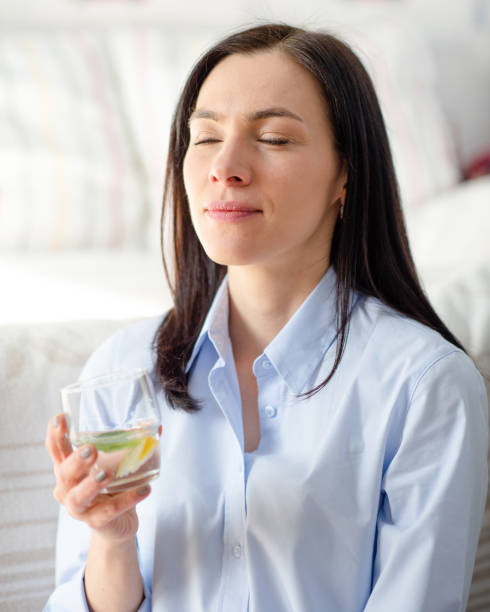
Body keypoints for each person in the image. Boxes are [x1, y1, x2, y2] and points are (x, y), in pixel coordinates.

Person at [44, 23, 488, 612]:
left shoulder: (425, 386)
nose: (225, 167)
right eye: (204, 138)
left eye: (274, 138)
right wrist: (111, 537)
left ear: (346, 174)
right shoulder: (122, 371)